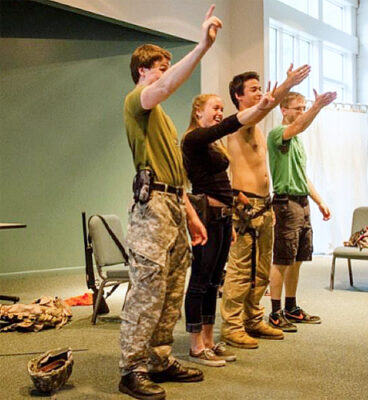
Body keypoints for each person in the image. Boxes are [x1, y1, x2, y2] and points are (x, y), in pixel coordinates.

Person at [119, 6, 222, 400]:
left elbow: (175, 179)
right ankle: (131, 368)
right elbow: (163, 88)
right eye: (161, 66)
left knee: (171, 289)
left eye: (167, 66)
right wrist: (202, 47)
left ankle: (159, 359)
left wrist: (191, 217)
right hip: (151, 212)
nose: (166, 73)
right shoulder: (138, 100)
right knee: (146, 291)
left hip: (173, 207)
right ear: (143, 71)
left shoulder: (164, 118)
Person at [182, 87, 276, 367]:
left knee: (214, 281)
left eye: (222, 108)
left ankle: (210, 341)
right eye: (215, 107)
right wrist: (260, 108)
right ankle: (195, 346)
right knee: (199, 281)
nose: (220, 113)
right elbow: (228, 126)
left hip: (223, 216)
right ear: (198, 112)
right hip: (206, 215)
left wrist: (233, 209)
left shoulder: (213, 145)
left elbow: (223, 183)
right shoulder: (194, 139)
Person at [220, 65, 311, 349]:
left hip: (264, 205)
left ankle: (252, 318)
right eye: (253, 89)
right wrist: (287, 84)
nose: (260, 93)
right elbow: (264, 107)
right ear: (238, 96)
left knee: (260, 271)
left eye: (260, 88)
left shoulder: (259, 130)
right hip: (245, 207)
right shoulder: (239, 122)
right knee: (240, 271)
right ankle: (232, 326)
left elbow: (264, 110)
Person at [267, 89, 336, 333]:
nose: (301, 112)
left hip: (302, 203)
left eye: (304, 107)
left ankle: (291, 307)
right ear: (283, 110)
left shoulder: (297, 141)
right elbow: (299, 126)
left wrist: (319, 201)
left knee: (297, 259)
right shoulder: (279, 134)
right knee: (282, 259)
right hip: (285, 204)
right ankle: (274, 312)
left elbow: (302, 176)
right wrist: (317, 107)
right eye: (298, 108)